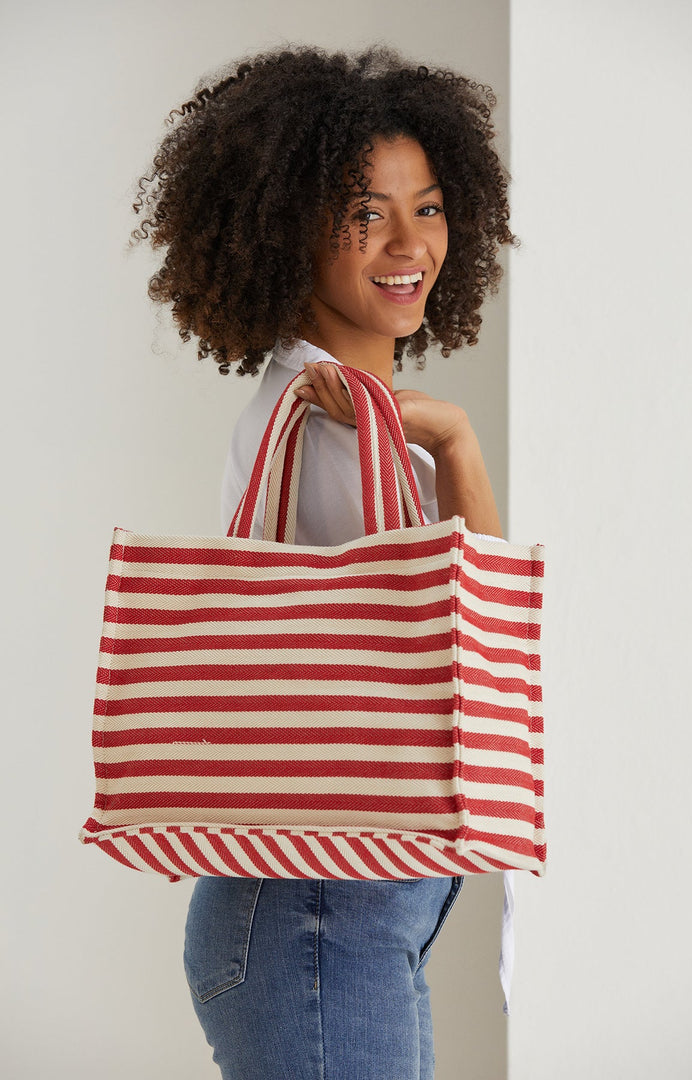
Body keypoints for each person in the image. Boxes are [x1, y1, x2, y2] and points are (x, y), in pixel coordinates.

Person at [131, 44, 517, 1080]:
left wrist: (444, 439)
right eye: (365, 212)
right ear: (285, 227)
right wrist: (462, 447)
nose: (408, 244)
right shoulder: (339, 425)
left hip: (321, 915)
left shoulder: (340, 411)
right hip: (314, 919)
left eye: (429, 208)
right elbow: (483, 664)